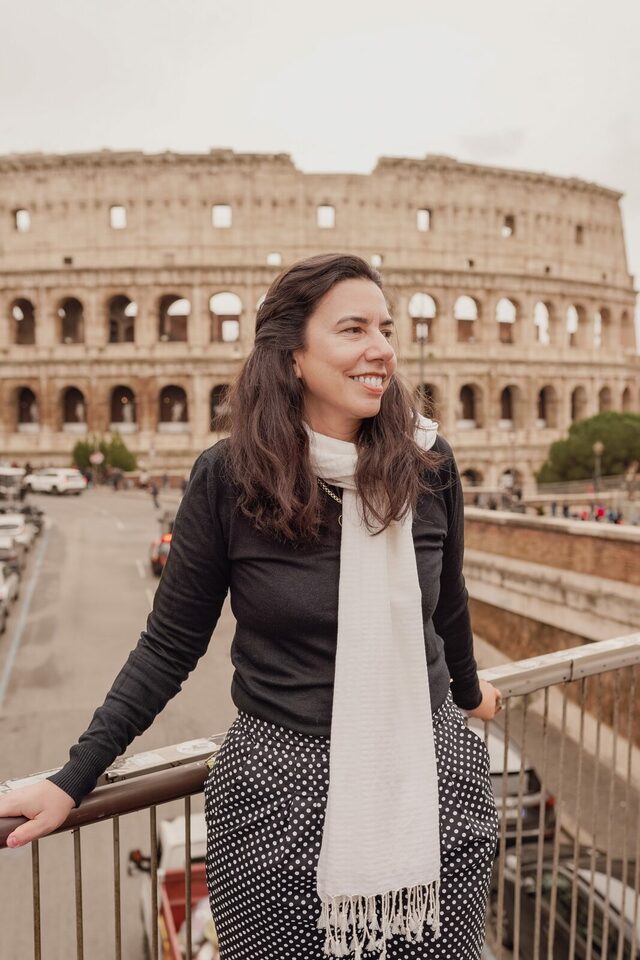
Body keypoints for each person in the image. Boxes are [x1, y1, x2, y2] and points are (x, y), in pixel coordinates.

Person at [0, 254, 502, 960]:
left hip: (432, 782)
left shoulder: (427, 463)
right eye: (353, 329)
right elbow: (169, 646)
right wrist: (71, 779)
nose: (382, 350)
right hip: (277, 804)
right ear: (291, 354)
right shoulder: (229, 476)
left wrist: (471, 693)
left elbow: (447, 606)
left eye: (385, 329)